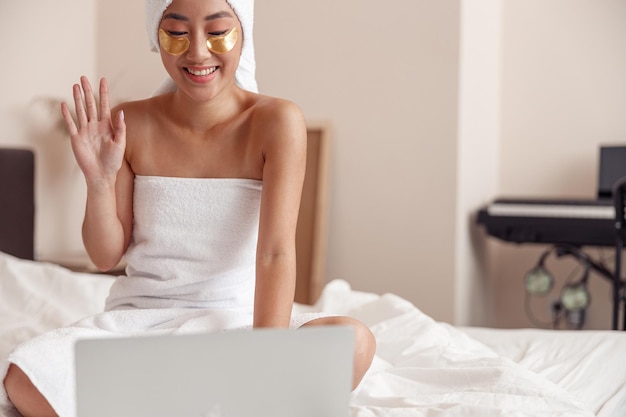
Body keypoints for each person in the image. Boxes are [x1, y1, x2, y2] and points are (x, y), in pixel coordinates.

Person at [1, 0, 376, 416]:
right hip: (143, 323)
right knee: (24, 375)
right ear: (155, 37)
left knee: (353, 340)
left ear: (244, 31)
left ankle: (183, 397)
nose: (197, 52)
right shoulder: (130, 122)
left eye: (217, 31)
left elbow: (275, 252)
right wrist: (98, 181)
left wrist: (265, 356)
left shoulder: (276, 121)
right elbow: (105, 255)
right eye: (176, 34)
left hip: (238, 323)